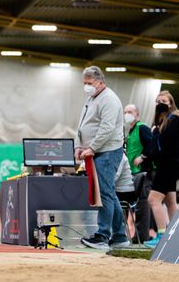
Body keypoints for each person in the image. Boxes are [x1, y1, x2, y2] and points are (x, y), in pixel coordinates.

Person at [75, 66, 128, 250]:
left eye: (89, 83)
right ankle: (120, 236)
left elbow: (107, 127)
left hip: (107, 151)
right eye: (84, 83)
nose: (86, 87)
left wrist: (92, 147)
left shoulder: (110, 99)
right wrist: (79, 146)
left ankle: (103, 236)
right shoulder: (92, 98)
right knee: (109, 194)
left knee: (104, 194)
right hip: (96, 151)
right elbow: (82, 124)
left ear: (99, 81)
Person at [144, 91, 179, 248]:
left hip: (169, 164)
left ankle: (162, 235)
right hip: (169, 164)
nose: (160, 103)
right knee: (171, 200)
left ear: (171, 104)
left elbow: (166, 143)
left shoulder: (174, 119)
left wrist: (156, 132)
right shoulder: (163, 121)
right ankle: (174, 236)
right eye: (158, 101)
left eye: (164, 101)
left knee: (153, 199)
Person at [123, 103, 154, 243]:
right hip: (134, 172)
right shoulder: (131, 130)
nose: (127, 114)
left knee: (143, 204)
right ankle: (138, 235)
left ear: (137, 114)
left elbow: (152, 144)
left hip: (144, 172)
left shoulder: (142, 127)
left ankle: (142, 236)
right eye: (125, 112)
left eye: (130, 111)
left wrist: (142, 157)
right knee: (137, 205)